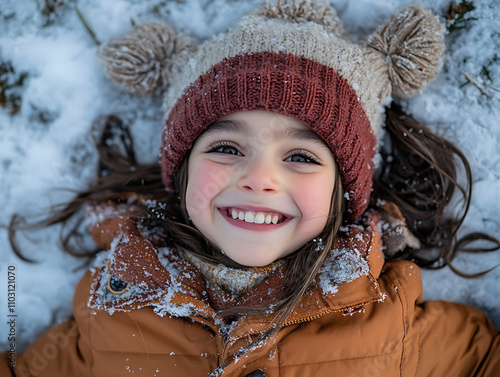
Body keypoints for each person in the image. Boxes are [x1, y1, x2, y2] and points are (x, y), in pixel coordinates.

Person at [3, 0, 500, 376]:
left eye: (301, 157)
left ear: (345, 192)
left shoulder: (388, 320)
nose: (259, 178)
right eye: (226, 148)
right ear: (180, 175)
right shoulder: (114, 304)